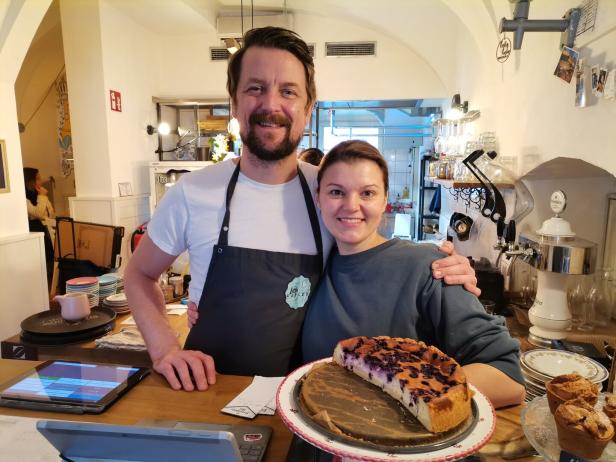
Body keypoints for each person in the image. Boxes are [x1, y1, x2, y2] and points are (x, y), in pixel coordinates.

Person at [125, 27, 479, 392]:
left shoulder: (328, 192)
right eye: (255, 88)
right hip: (207, 393)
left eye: (288, 91)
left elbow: (375, 256)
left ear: (308, 109)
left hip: (305, 403)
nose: (271, 105)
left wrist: (438, 267)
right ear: (234, 102)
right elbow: (138, 275)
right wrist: (165, 347)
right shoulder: (193, 192)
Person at [300, 140, 525, 408]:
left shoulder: (428, 266)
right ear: (318, 198)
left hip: (400, 444)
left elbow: (507, 377)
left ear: (385, 200)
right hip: (317, 435)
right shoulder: (312, 267)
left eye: (367, 193)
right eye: (336, 192)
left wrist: (401, 391)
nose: (351, 205)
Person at [23, 167, 55, 285]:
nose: (40, 181)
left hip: (47, 228)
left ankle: (51, 279)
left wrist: (42, 197)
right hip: (34, 230)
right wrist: (42, 197)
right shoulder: (24, 197)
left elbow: (50, 213)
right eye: (37, 179)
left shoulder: (39, 194)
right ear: (29, 181)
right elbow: (39, 214)